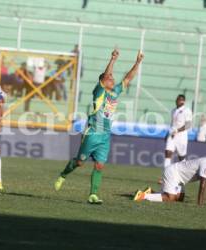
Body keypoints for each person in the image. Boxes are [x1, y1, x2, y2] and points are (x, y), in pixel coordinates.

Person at [54, 48, 145, 204]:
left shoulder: (115, 92)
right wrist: (113, 60)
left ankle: (93, 195)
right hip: (93, 133)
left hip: (105, 136)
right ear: (103, 81)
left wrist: (137, 63)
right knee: (80, 162)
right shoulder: (99, 92)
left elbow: (128, 79)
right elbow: (104, 76)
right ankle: (63, 175)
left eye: (113, 77)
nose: (113, 78)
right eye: (110, 78)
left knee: (100, 165)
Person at [134, 154, 206, 205]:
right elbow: (203, 185)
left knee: (179, 199)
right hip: (173, 172)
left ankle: (150, 192)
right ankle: (142, 196)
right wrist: (200, 204)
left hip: (180, 179)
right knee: (170, 199)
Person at [164, 95, 192, 168]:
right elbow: (172, 123)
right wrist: (168, 133)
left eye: (180, 100)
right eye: (177, 99)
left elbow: (188, 125)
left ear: (183, 101)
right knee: (168, 152)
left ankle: (183, 174)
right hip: (172, 135)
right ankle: (165, 175)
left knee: (181, 158)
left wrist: (177, 130)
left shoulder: (187, 110)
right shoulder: (173, 110)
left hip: (181, 136)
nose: (177, 101)